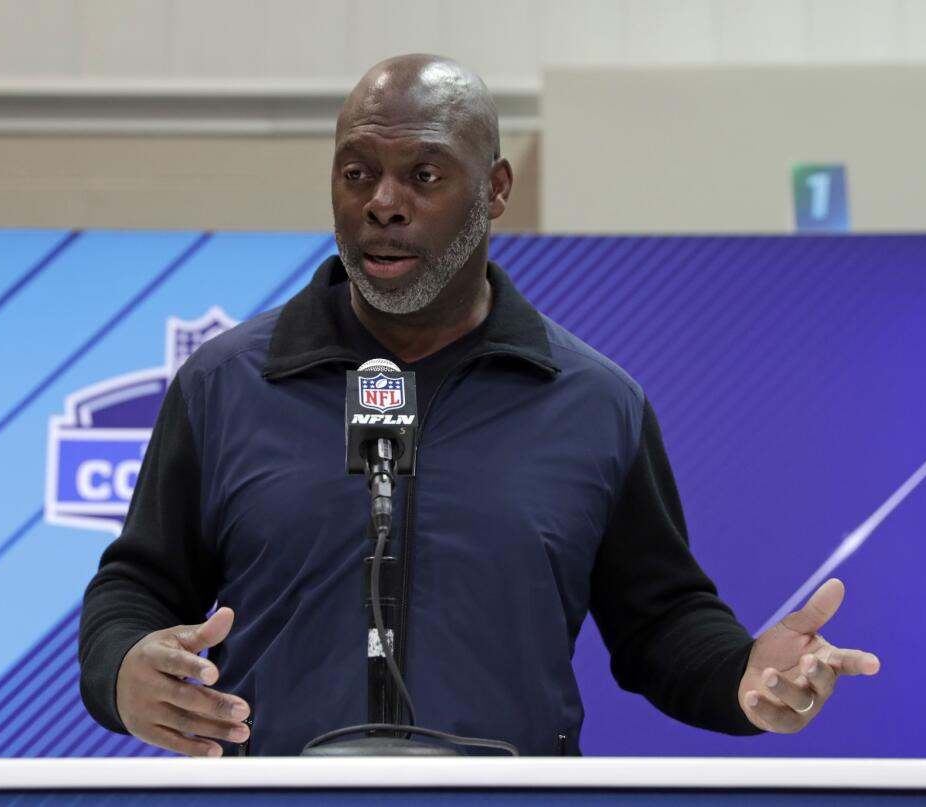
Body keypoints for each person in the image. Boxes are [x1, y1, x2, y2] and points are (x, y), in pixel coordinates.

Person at [79, 54, 880, 757]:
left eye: (424, 175)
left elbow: (660, 620)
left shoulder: (596, 403)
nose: (382, 203)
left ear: (494, 188)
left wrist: (743, 675)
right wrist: (124, 670)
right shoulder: (226, 383)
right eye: (357, 172)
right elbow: (137, 587)